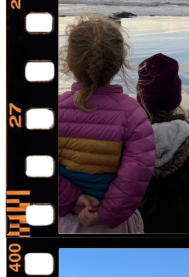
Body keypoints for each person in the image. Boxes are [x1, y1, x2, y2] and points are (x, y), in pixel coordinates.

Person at [57, 15, 156, 234]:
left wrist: (71, 199)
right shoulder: (133, 114)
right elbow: (135, 176)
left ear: (69, 61)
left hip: (63, 221)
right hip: (113, 225)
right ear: (120, 62)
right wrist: (106, 213)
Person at [136, 53, 189, 235]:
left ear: (141, 97)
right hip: (180, 214)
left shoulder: (133, 134)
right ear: (175, 97)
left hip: (141, 211)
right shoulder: (186, 133)